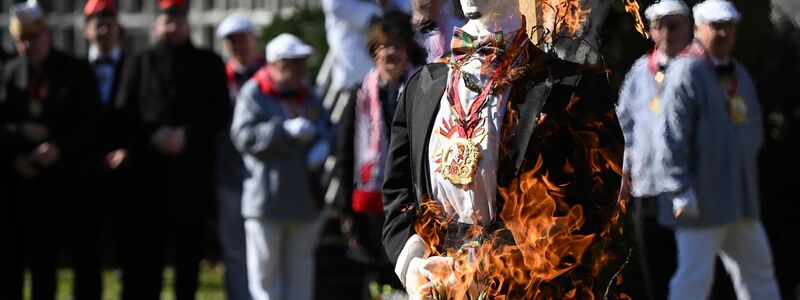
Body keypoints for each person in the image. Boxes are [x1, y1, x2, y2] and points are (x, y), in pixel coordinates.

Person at [382, 0, 628, 298]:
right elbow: (399, 196)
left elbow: (593, 207)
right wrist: (412, 266)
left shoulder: (573, 88)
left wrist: (490, 269)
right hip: (438, 284)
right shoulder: (422, 87)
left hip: (527, 285)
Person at [655, 0, 782, 299]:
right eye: (716, 26)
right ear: (699, 29)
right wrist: (680, 189)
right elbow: (670, 136)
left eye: (729, 26)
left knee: (759, 272)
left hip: (740, 198)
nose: (723, 33)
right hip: (700, 201)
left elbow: (753, 128)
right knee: (695, 277)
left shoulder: (740, 74)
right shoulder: (685, 72)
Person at [114, 0, 230, 298]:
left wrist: (187, 135)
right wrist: (153, 135)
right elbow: (124, 111)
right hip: (149, 179)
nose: (172, 25)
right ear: (157, 24)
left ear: (187, 23)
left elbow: (220, 113)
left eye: (178, 18)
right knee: (148, 260)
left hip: (191, 177)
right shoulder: (139, 62)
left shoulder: (209, 62)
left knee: (188, 259)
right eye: (167, 18)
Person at [0, 1, 101, 299]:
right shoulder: (11, 74)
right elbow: (3, 126)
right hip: (28, 188)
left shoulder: (75, 71)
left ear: (47, 34)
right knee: (34, 262)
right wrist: (17, 151)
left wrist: (59, 148)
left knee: (83, 257)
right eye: (20, 40)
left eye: (32, 38)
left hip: (70, 183)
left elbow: (93, 124)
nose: (26, 46)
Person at [230, 33, 329, 300]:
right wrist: (282, 131)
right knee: (266, 277)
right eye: (292, 63)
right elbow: (243, 136)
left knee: (300, 272)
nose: (299, 69)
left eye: (301, 63)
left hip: (303, 202)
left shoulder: (308, 94)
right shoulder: (254, 92)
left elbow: (327, 127)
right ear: (273, 64)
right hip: (266, 202)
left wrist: (323, 143)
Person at [336, 10, 425, 299]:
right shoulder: (360, 96)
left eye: (396, 44)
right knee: (378, 283)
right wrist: (345, 210)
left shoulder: (424, 90)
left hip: (414, 203)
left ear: (408, 49)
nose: (389, 52)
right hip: (372, 207)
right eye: (382, 45)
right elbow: (345, 156)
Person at [615, 1, 692, 299]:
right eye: (660, 26)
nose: (667, 32)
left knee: (691, 276)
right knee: (655, 277)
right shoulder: (638, 73)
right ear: (650, 31)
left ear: (688, 28)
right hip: (648, 192)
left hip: (690, 192)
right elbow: (625, 128)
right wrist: (624, 175)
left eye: (674, 25)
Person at [82, 1, 131, 299]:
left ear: (118, 28)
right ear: (85, 29)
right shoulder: (75, 69)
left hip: (126, 173)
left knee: (128, 245)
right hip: (85, 173)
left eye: (108, 21)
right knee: (85, 245)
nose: (103, 28)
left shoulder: (135, 66)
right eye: (97, 22)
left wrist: (129, 149)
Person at [215, 13, 265, 300]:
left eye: (242, 39)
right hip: (230, 174)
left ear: (253, 39)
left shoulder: (270, 73)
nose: (238, 46)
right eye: (231, 41)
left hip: (264, 176)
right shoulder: (220, 79)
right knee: (234, 245)